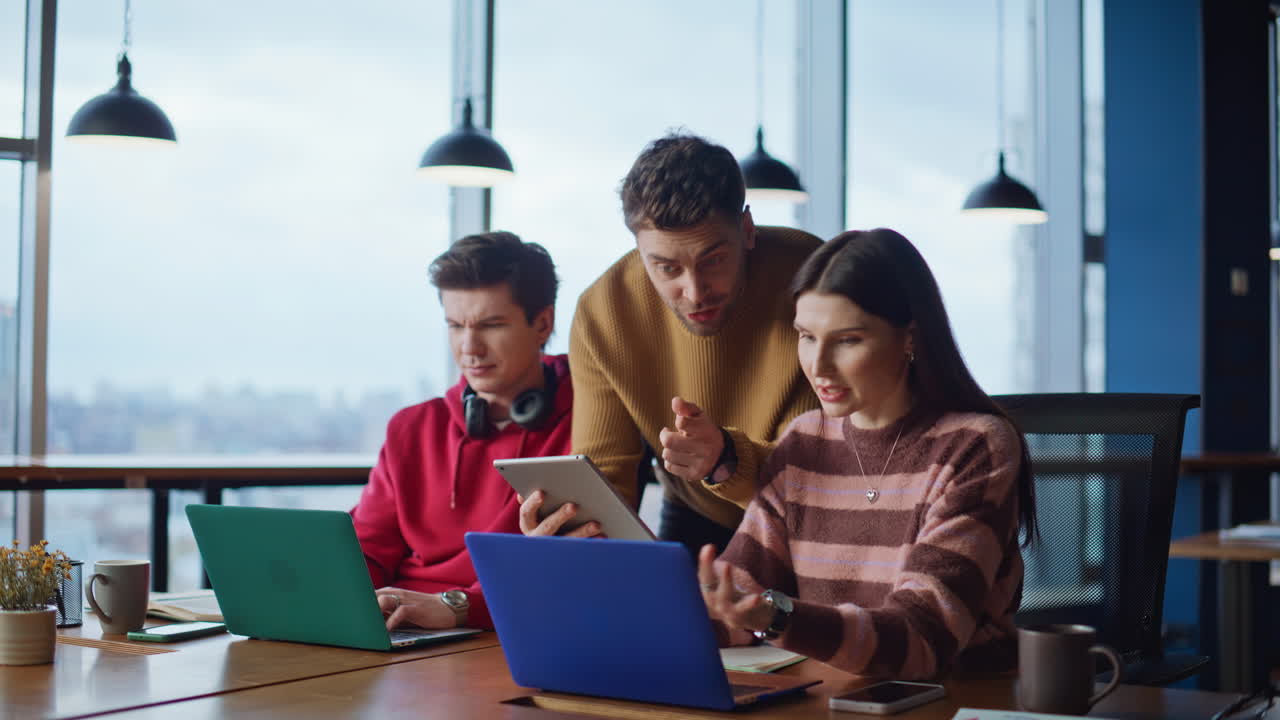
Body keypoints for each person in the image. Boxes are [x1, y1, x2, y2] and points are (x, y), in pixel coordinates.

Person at [697, 228, 1036, 679]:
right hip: (835, 696)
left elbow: (922, 640)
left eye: (848, 340)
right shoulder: (803, 442)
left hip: (954, 699)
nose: (818, 366)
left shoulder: (974, 447)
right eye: (807, 336)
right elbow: (739, 597)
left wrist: (773, 617)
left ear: (909, 338)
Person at [520, 133, 821, 553]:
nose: (695, 292)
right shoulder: (603, 313)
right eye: (666, 267)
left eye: (713, 260)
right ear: (639, 251)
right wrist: (571, 528)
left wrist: (726, 459)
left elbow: (839, 465)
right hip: (700, 517)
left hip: (819, 520)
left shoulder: (815, 278)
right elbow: (606, 478)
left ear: (748, 230)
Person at [350, 231, 573, 631]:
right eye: (455, 326)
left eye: (490, 325)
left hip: (508, 628)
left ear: (542, 323)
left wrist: (458, 607)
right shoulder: (412, 428)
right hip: (402, 630)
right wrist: (340, 598)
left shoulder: (585, 425)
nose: (469, 348)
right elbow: (366, 548)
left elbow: (568, 571)